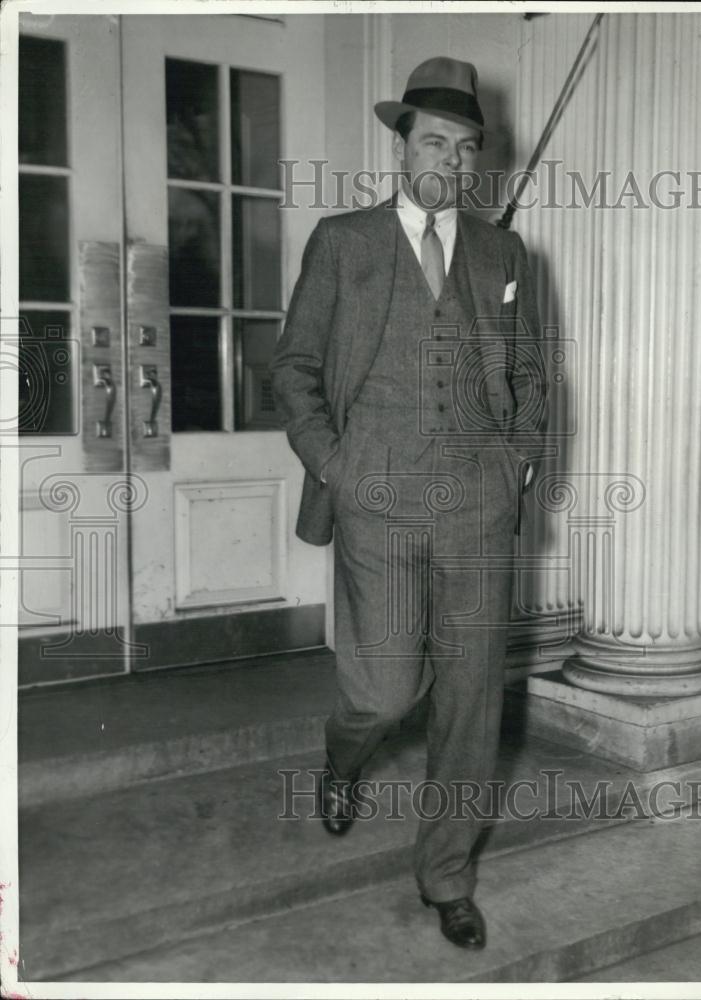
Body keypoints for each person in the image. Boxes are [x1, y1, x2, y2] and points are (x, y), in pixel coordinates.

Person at [271, 56, 547, 950]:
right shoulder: (343, 241)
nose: (452, 163)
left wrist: (520, 463)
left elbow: (532, 372)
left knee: (472, 704)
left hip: (479, 507)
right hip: (376, 497)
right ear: (401, 144)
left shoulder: (504, 251)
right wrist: (335, 463)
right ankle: (342, 758)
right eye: (435, 142)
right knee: (386, 692)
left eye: (467, 149)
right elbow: (296, 368)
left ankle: (447, 876)